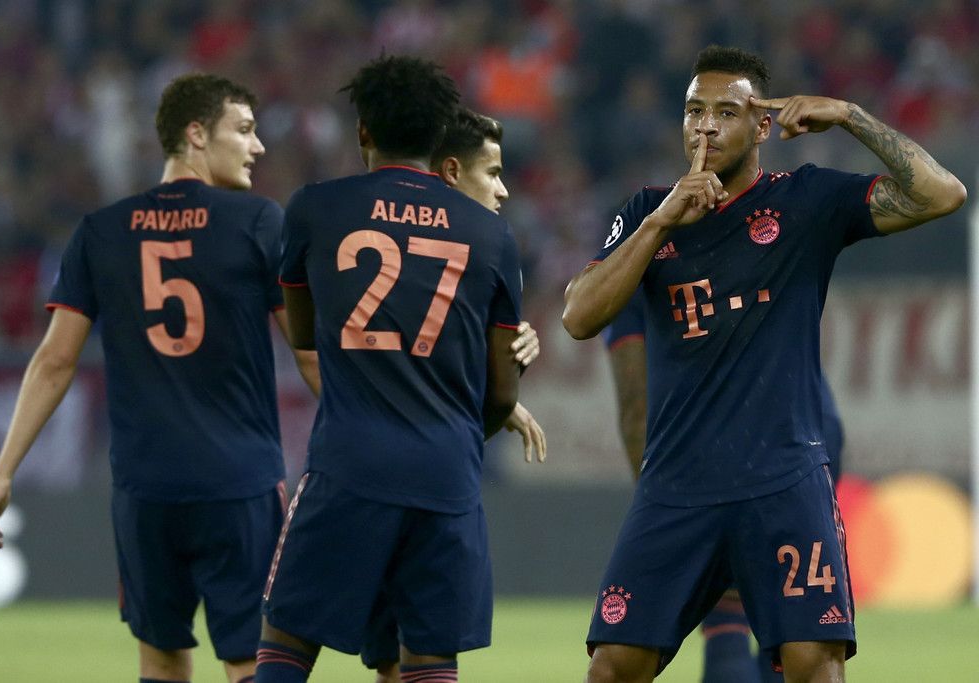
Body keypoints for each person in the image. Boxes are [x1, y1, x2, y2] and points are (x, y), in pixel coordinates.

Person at [562, 45, 965, 682]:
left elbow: (942, 194)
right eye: (694, 111)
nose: (706, 126)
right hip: (678, 483)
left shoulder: (805, 201)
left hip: (783, 479)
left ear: (762, 127)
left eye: (727, 112)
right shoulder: (645, 211)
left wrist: (852, 116)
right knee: (612, 668)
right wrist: (661, 223)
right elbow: (578, 317)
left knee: (813, 665)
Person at [0, 73, 319, 683]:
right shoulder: (258, 222)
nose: (258, 146)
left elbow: (54, 361)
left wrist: (3, 473)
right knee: (247, 659)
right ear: (196, 134)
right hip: (238, 483)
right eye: (243, 130)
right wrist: (362, 431)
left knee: (160, 658)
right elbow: (308, 350)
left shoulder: (101, 231)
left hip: (145, 488)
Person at [255, 55, 534, 683]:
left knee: (287, 641)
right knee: (429, 658)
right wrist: (460, 428)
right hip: (446, 472)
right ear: (440, 139)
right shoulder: (491, 236)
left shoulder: (314, 209)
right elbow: (500, 391)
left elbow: (304, 336)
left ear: (363, 130)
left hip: (348, 463)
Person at [361, 106, 548, 683]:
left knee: (387, 655)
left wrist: (499, 372)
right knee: (427, 649)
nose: (503, 189)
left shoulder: (379, 233)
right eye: (492, 173)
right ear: (449, 171)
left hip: (362, 463)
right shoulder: (489, 247)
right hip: (430, 468)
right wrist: (502, 392)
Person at [603, 291, 846, 682]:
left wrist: (661, 515)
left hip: (720, 464)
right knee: (794, 639)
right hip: (807, 439)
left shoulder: (631, 272)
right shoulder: (763, 249)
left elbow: (635, 408)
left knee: (729, 623)